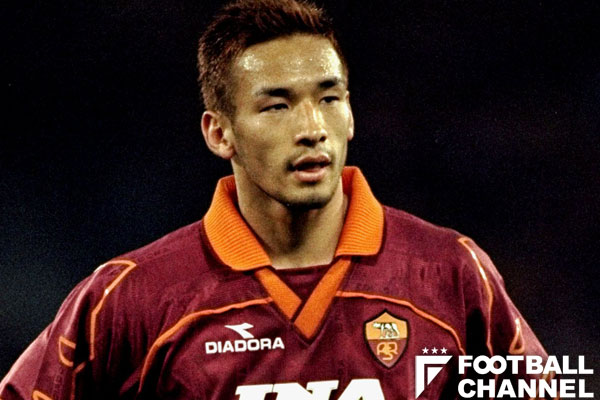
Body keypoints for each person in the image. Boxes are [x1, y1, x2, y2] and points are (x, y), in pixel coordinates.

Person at [1, 0, 553, 399]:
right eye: (277, 106)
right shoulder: (129, 299)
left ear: (351, 115)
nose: (312, 128)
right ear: (219, 133)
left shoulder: (451, 273)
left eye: (329, 98)